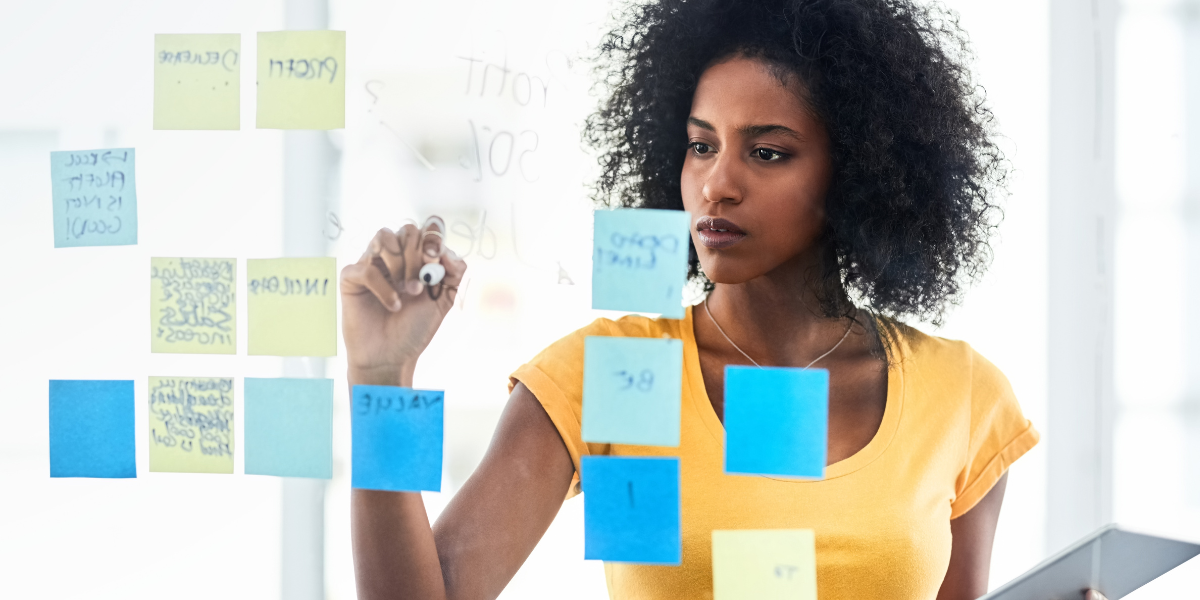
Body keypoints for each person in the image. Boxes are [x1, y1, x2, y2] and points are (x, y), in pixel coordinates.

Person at [342, 1, 1090, 598]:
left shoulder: (963, 396)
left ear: (858, 174)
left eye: (767, 152)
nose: (716, 184)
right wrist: (381, 380)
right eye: (702, 145)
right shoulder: (608, 373)